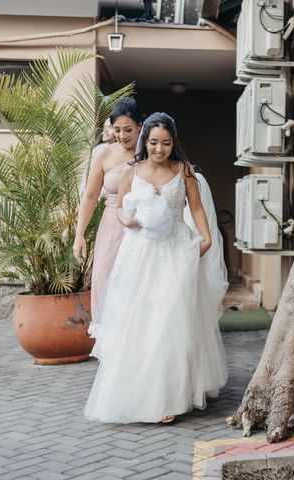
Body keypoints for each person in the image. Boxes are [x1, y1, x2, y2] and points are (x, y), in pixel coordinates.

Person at [84, 112, 228, 424]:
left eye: (165, 143)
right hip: (140, 253)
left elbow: (198, 208)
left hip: (177, 253)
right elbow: (120, 206)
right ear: (144, 141)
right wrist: (128, 221)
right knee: (141, 321)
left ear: (173, 143)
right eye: (153, 142)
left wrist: (205, 242)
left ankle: (170, 397)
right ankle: (139, 392)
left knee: (171, 321)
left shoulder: (184, 171)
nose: (159, 149)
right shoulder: (132, 171)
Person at [73, 98, 142, 312]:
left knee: (139, 286)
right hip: (111, 227)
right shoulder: (104, 154)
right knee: (105, 280)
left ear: (140, 126)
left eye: (128, 129)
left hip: (142, 227)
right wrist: (79, 234)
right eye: (117, 130)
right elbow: (91, 196)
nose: (122, 136)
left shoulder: (150, 153)